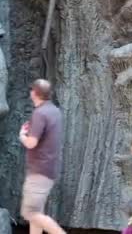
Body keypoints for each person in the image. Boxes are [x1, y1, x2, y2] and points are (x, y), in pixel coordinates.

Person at [18, 79, 65, 234]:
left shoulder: (40, 113)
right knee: (36, 214)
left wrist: (22, 135)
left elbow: (31, 143)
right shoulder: (54, 110)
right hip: (49, 169)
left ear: (35, 93)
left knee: (30, 213)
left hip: (38, 171)